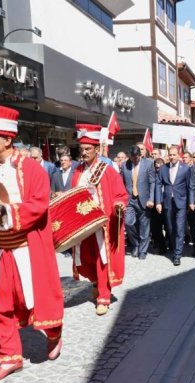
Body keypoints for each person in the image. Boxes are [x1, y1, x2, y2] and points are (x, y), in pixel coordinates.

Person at [0, 104, 64, 382]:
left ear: (7, 140)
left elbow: (38, 205)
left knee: (33, 299)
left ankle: (53, 332)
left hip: (26, 248)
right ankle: (9, 357)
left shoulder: (31, 169)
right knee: (1, 304)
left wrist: (7, 211)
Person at [71, 124, 129, 316]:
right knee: (85, 258)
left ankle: (104, 296)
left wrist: (119, 204)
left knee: (102, 259)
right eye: (82, 149)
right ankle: (96, 283)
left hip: (101, 224)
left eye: (88, 149)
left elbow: (120, 194)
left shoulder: (107, 170)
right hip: (82, 223)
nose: (84, 152)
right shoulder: (78, 171)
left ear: (97, 149)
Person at [156, 147, 191, 266]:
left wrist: (190, 202)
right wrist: (158, 202)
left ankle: (177, 254)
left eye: (174, 155)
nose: (172, 157)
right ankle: (174, 246)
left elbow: (189, 187)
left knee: (180, 228)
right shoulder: (163, 168)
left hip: (181, 202)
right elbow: (158, 185)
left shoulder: (185, 169)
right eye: (170, 155)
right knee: (170, 228)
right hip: (167, 202)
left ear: (178, 155)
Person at [121, 145, 155, 260]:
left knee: (144, 227)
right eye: (132, 158)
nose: (134, 160)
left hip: (144, 199)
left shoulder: (149, 164)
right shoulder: (125, 165)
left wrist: (151, 199)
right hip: (130, 199)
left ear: (140, 155)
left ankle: (143, 250)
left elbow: (152, 182)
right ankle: (135, 244)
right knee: (128, 222)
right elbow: (121, 183)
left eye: (136, 157)